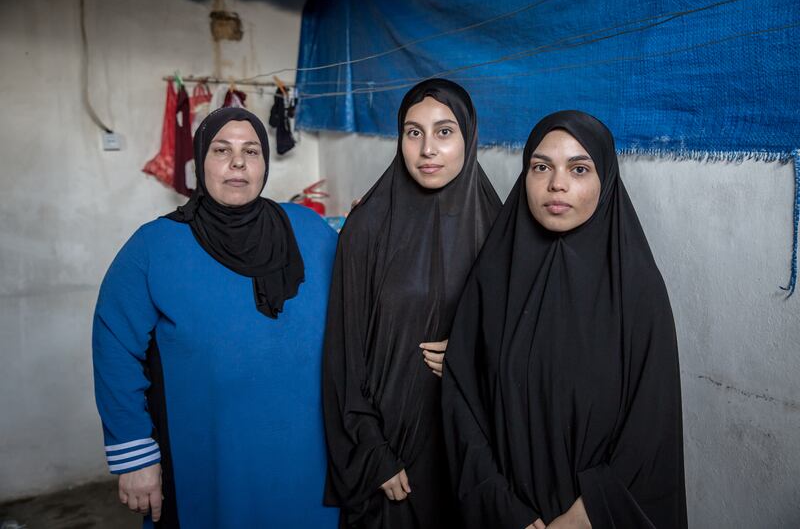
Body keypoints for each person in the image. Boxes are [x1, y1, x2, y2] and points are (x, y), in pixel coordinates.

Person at [92, 107, 339, 528]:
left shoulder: (311, 231)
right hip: (207, 458)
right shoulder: (154, 246)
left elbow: (364, 299)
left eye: (252, 150)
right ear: (201, 160)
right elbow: (114, 346)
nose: (238, 162)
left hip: (307, 453)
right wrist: (135, 455)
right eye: (222, 149)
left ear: (264, 164)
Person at [441, 110, 688, 529]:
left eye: (579, 168)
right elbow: (462, 401)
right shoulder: (493, 276)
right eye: (542, 167)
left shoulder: (636, 289)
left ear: (604, 180)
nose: (558, 183)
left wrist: (587, 512)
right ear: (526, 177)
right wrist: (504, 507)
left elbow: (652, 425)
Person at [322, 79, 501, 528]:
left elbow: (522, 341)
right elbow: (343, 354)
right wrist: (371, 451)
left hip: (472, 451)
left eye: (444, 132)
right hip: (392, 451)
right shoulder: (366, 228)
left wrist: (468, 351)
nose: (427, 149)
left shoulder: (498, 229)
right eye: (413, 132)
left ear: (468, 137)